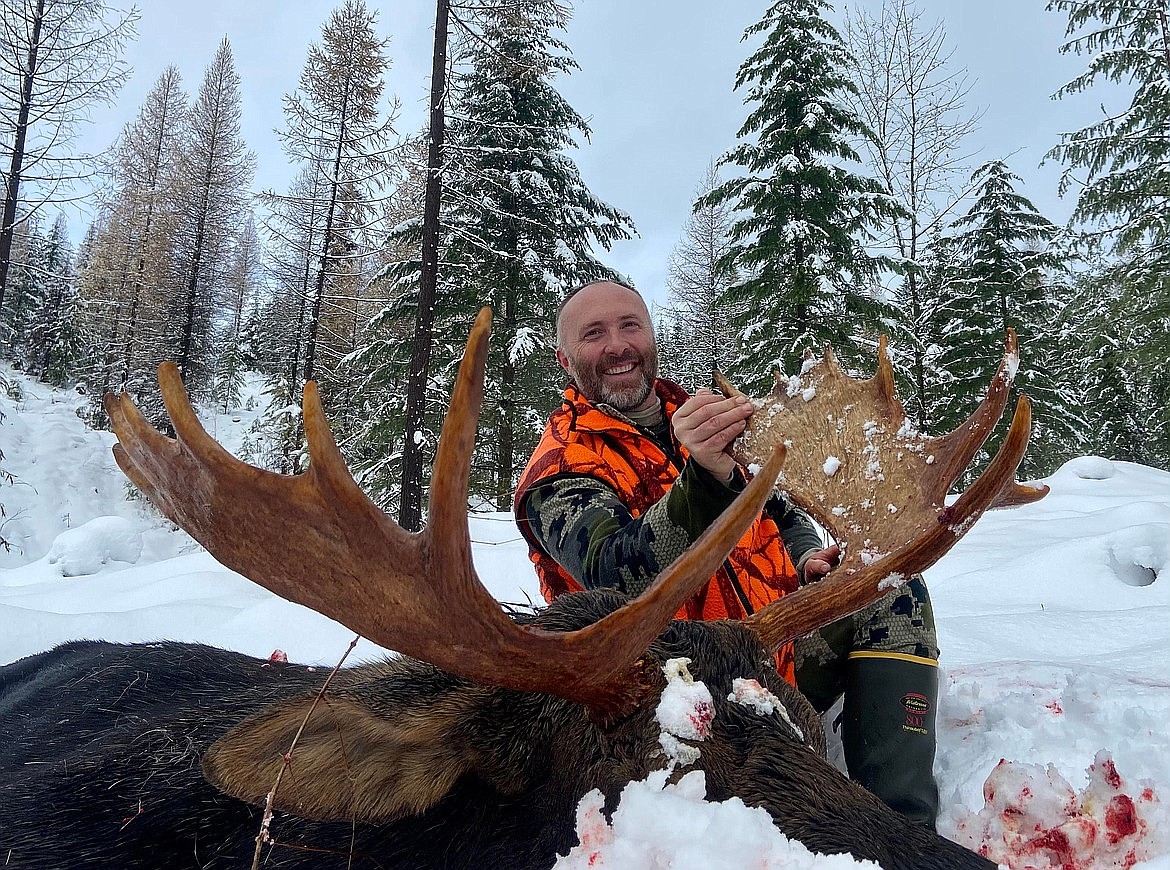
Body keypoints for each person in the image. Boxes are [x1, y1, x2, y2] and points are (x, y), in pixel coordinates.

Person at [513, 279, 941, 827]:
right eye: (593, 334)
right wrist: (704, 479)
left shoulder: (697, 416)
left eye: (629, 326)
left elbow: (781, 513)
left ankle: (902, 826)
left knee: (892, 589)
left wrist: (805, 559)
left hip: (772, 652)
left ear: (650, 336)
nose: (617, 345)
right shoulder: (559, 468)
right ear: (566, 360)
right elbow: (618, 574)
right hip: (672, 703)